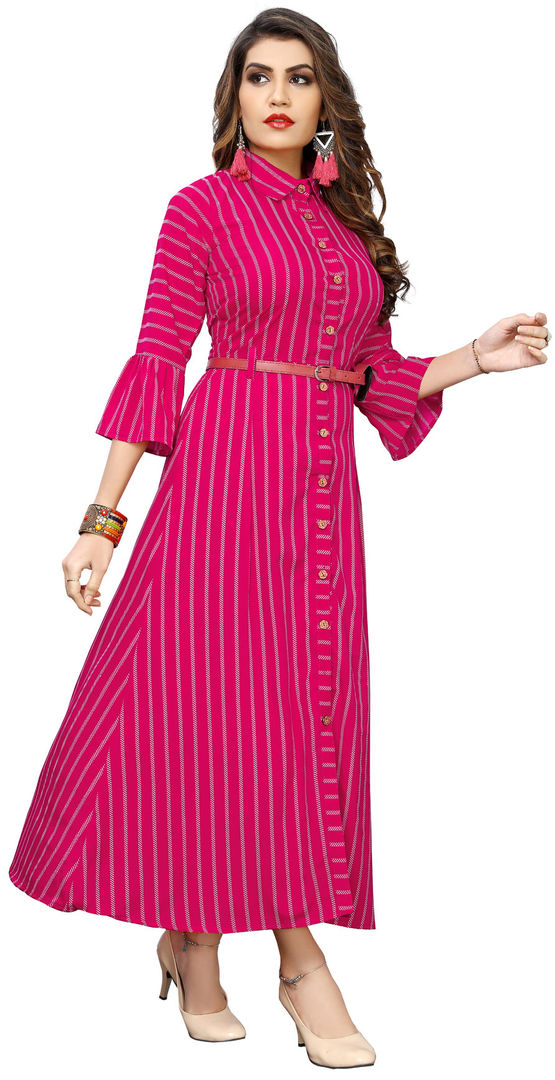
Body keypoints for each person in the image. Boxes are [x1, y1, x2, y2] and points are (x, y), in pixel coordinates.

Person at [8, 8, 549, 1070]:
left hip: (321, 501)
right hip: (223, 487)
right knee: (216, 717)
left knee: (298, 719)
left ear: (325, 103)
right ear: (234, 98)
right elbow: (159, 357)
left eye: (299, 79)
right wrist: (101, 523)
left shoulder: (348, 231)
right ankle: (296, 960)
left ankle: (195, 940)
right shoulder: (201, 208)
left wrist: (475, 359)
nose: (277, 96)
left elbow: (373, 377)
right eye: (258, 78)